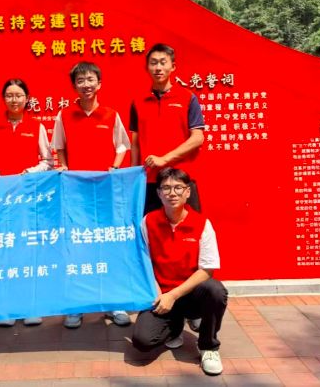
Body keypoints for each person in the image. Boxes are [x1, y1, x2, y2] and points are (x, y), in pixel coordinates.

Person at [52, 61, 132, 329]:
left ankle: (113, 302)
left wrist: (115, 167)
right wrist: (64, 167)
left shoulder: (111, 115)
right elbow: (59, 147)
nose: (86, 85)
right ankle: (77, 306)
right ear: (74, 86)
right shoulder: (64, 115)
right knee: (77, 246)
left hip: (105, 192)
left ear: (99, 83)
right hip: (76, 194)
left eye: (90, 80)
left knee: (107, 244)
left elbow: (122, 145)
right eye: (80, 80)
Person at [132, 167, 227, 376]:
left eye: (178, 188)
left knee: (215, 290)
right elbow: (143, 262)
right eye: (166, 188)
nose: (172, 193)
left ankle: (209, 347)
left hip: (190, 293)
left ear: (188, 192)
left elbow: (207, 269)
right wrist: (158, 293)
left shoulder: (202, 224)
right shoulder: (148, 222)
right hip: (161, 292)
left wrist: (173, 295)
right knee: (142, 341)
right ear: (158, 193)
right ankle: (175, 326)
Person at [0, 78, 53, 327]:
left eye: (19, 95)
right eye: (10, 95)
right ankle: (6, 308)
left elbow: (48, 161)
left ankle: (30, 305)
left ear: (27, 99)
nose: (14, 100)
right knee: (4, 250)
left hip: (28, 200)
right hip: (1, 201)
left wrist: (31, 172)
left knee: (28, 249)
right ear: (4, 99)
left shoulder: (36, 126)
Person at [130, 43, 205, 214]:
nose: (158, 68)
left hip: (182, 179)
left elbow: (197, 138)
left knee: (190, 227)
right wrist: (134, 176)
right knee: (148, 227)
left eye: (163, 62)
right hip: (150, 181)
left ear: (173, 67)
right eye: (153, 63)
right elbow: (135, 143)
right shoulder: (137, 102)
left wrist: (165, 159)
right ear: (147, 67)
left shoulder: (188, 98)